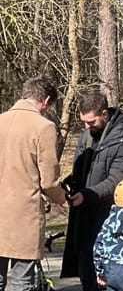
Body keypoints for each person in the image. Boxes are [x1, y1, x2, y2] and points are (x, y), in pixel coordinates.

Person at [61, 89, 123, 291]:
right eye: (84, 122)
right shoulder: (86, 134)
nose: (87, 127)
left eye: (91, 122)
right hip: (84, 211)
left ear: (104, 114)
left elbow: (117, 181)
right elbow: (79, 173)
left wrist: (86, 195)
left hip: (109, 216)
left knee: (109, 274)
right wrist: (67, 184)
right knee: (86, 268)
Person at [0, 74, 67, 291]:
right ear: (46, 101)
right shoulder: (43, 127)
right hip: (23, 216)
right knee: (22, 282)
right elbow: (49, 180)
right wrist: (60, 197)